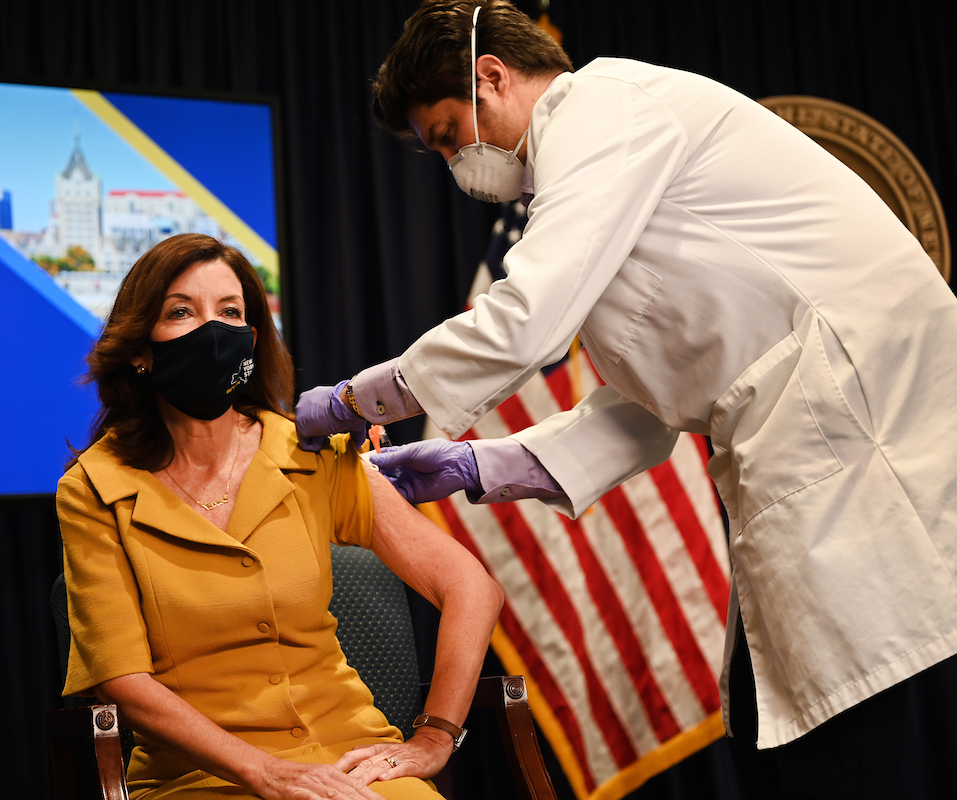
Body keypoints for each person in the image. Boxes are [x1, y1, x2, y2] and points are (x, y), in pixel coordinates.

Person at [294, 1, 957, 797]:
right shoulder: (594, 175)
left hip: (859, 417)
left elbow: (525, 321)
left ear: (491, 76)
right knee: (769, 713)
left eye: (445, 135)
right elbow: (649, 410)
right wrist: (479, 462)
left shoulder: (605, 107)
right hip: (800, 430)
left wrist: (351, 401)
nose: (452, 164)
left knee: (847, 729)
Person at [58, 233, 503, 800]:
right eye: (181, 313)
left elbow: (470, 586)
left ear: (251, 339)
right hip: (202, 777)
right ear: (140, 348)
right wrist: (267, 772)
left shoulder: (308, 452)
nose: (211, 331)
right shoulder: (95, 488)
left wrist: (437, 736)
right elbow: (122, 682)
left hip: (352, 762)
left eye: (230, 312)